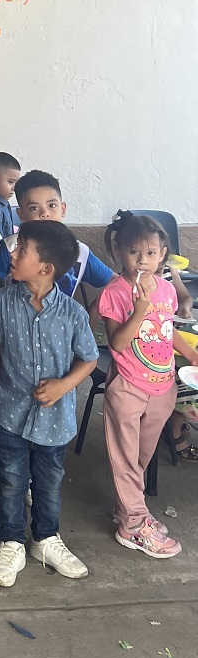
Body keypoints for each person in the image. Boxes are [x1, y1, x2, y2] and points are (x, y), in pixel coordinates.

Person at [0, 221, 99, 587]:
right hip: (10, 412)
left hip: (54, 420)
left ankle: (45, 539)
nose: (12, 254)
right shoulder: (1, 302)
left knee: (48, 481)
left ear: (46, 268)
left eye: (21, 250)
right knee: (11, 480)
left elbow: (88, 359)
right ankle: (11, 542)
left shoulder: (73, 314)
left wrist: (63, 386)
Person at [98, 211, 198, 558]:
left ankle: (127, 507)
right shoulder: (115, 293)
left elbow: (168, 332)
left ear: (163, 253)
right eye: (134, 252)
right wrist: (138, 310)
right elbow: (118, 344)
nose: (143, 260)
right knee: (125, 459)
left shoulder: (168, 289)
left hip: (163, 386)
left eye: (151, 253)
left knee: (140, 457)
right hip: (128, 387)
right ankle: (134, 525)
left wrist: (192, 355)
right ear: (119, 251)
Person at [0, 170, 115, 298]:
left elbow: (115, 282)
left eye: (52, 205)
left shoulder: (79, 252)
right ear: (21, 214)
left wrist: (98, 308)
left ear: (63, 209)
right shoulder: (10, 247)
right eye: (34, 208)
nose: (45, 213)